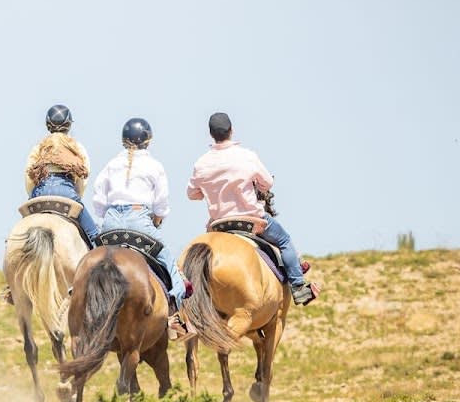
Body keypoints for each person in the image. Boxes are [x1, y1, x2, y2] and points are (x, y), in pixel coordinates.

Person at [186, 112, 318, 305]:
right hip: (252, 220)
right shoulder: (247, 156)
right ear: (231, 130)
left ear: (210, 134)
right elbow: (267, 183)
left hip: (219, 225)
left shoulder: (201, 163)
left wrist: (209, 190)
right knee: (284, 241)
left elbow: (192, 194)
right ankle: (299, 287)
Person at [89, 117, 187, 315]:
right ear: (148, 141)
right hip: (139, 221)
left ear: (123, 140)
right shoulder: (155, 166)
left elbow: (98, 201)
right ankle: (177, 312)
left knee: (92, 259)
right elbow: (161, 204)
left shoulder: (110, 164)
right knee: (169, 261)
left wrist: (106, 216)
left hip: (111, 224)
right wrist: (158, 218)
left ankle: (77, 290)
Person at [23, 104, 99, 243]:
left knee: (22, 235)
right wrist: (76, 197)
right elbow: (82, 180)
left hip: (39, 192)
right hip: (67, 192)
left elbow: (29, 178)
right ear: (69, 125)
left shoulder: (39, 146)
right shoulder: (76, 146)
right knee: (94, 235)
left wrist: (32, 196)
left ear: (47, 125)